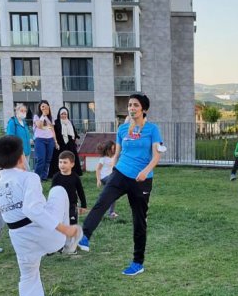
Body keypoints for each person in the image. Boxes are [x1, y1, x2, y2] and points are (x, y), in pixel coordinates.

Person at [0, 135, 82, 296]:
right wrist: (66, 229)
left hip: (20, 239)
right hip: (47, 234)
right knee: (58, 191)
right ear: (22, 157)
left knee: (28, 278)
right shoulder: (28, 178)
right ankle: (69, 242)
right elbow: (32, 209)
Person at [78, 93, 162, 276]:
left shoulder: (152, 129)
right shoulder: (123, 130)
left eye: (135, 105)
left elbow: (157, 155)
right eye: (130, 105)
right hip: (121, 173)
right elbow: (117, 151)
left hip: (142, 180)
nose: (131, 108)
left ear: (144, 109)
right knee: (102, 201)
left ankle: (137, 263)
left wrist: (146, 171)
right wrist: (114, 166)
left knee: (139, 221)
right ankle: (84, 235)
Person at [51, 150, 88, 229]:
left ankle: (72, 241)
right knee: (60, 225)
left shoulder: (75, 177)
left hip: (72, 205)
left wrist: (84, 206)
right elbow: (52, 193)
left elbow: (80, 192)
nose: (62, 165)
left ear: (72, 164)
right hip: (59, 206)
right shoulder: (56, 177)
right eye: (60, 162)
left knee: (72, 225)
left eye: (65, 162)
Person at [53, 107, 82, 178]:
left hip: (70, 143)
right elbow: (54, 133)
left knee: (71, 157)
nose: (63, 115)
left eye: (65, 114)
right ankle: (59, 172)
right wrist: (56, 142)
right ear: (59, 114)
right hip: (60, 143)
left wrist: (76, 137)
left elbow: (74, 132)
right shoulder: (56, 122)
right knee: (60, 158)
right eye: (62, 114)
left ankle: (74, 172)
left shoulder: (69, 122)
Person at [32, 100, 55, 181]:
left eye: (46, 106)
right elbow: (39, 126)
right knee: (41, 159)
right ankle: (36, 177)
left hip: (50, 140)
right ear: (40, 107)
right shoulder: (36, 116)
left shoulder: (50, 118)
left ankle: (44, 177)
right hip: (40, 140)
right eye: (42, 106)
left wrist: (55, 141)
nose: (44, 108)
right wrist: (43, 115)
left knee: (48, 160)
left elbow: (52, 130)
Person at [95, 141, 119, 219]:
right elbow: (98, 169)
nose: (113, 150)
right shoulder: (103, 159)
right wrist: (98, 180)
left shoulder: (113, 157)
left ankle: (111, 212)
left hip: (110, 177)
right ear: (108, 149)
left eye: (114, 148)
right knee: (113, 188)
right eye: (112, 149)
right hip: (104, 177)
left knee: (112, 195)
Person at [6, 104, 33, 169]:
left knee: (25, 170)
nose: (23, 112)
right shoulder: (12, 122)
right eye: (21, 110)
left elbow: (28, 134)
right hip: (18, 151)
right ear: (16, 111)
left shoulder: (24, 122)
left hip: (27, 150)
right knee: (24, 169)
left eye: (25, 111)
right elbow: (10, 137)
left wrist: (31, 139)